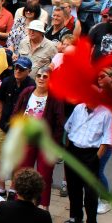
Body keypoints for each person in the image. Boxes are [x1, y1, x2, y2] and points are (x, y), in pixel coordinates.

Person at [11, 66, 65, 208]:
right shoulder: (27, 92)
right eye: (39, 75)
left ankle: (43, 207)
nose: (41, 78)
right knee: (22, 173)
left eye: (45, 76)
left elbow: (60, 124)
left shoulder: (55, 97)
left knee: (44, 175)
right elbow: (16, 112)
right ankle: (20, 203)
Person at [63, 99, 112, 223]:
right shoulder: (79, 108)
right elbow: (68, 128)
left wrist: (96, 158)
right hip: (73, 150)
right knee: (73, 188)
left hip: (91, 154)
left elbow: (106, 140)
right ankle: (75, 217)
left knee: (90, 192)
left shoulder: (106, 114)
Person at [0, 57, 36, 194]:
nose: (17, 71)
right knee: (0, 156)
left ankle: (13, 186)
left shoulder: (32, 86)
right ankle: (1, 186)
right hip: (4, 124)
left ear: (28, 71)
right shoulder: (7, 81)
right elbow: (1, 102)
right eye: (16, 67)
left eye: (21, 69)